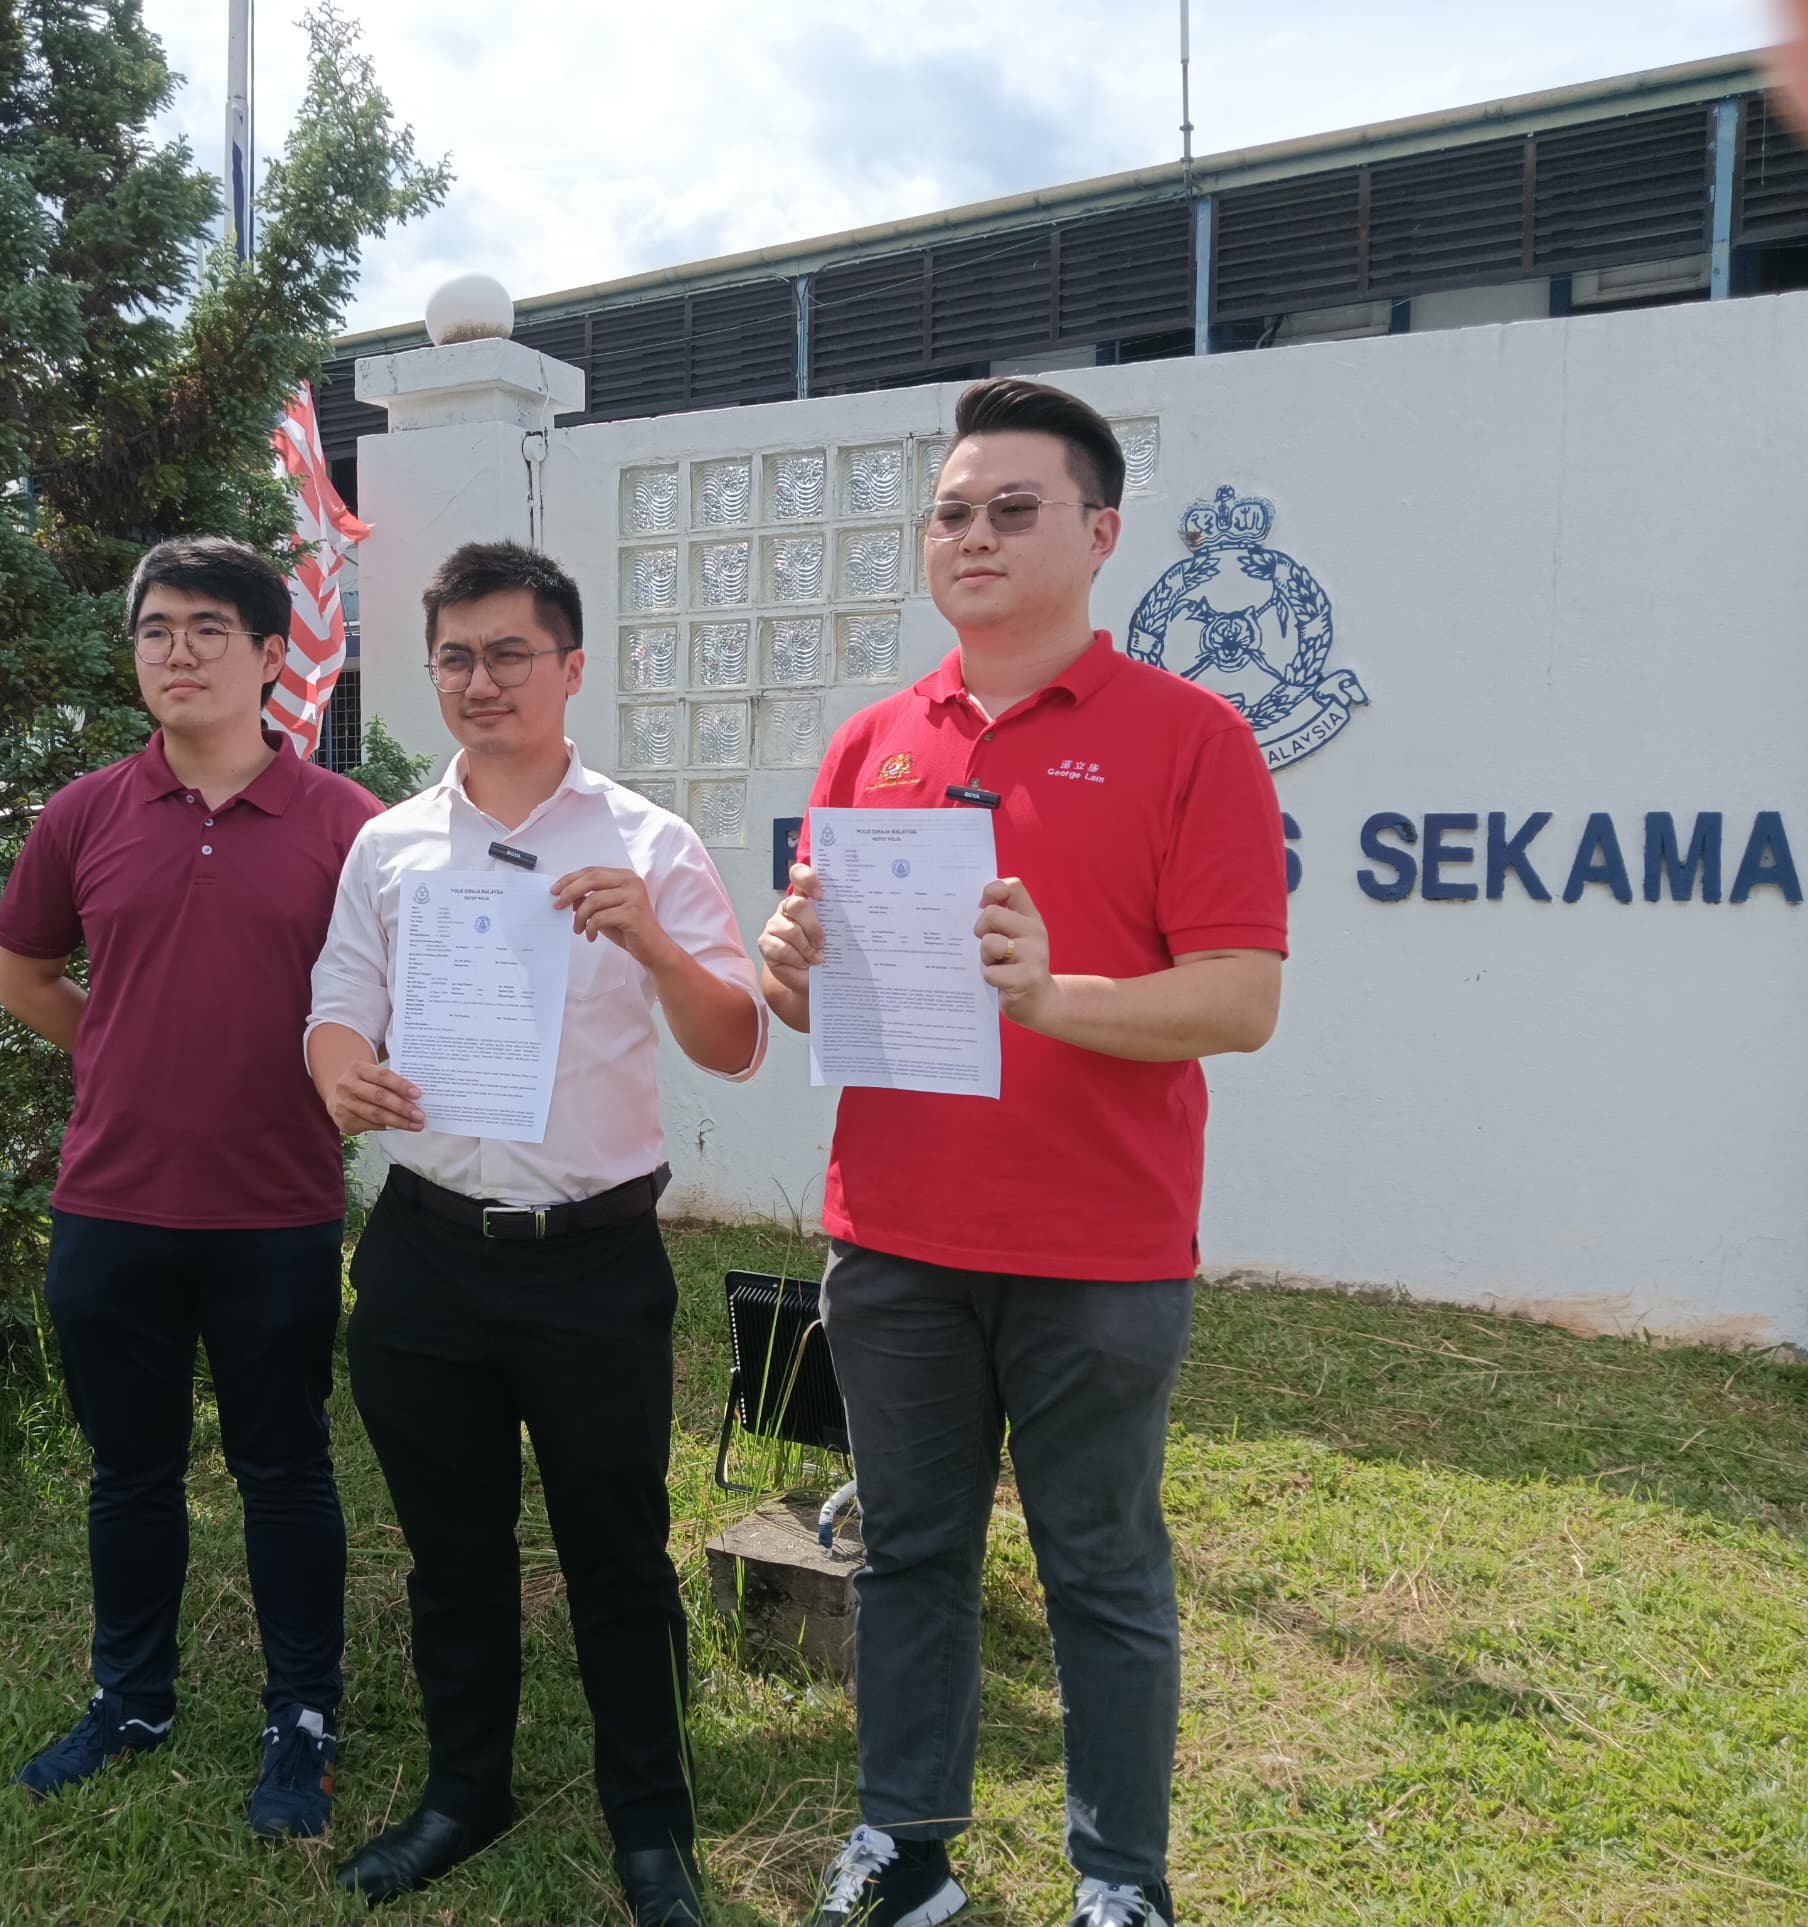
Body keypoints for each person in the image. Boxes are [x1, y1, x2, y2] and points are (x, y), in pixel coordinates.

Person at [760, 380, 1287, 1927]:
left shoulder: (1193, 738)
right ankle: (906, 1848)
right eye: (951, 513)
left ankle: (1120, 1880)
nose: (972, 536)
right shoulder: (874, 743)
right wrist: (790, 967)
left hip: (1098, 1253)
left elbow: (1242, 999)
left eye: (1012, 509)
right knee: (910, 1555)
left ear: (1101, 533)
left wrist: (1056, 999)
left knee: (1101, 1573)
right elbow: (823, 1002)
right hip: (895, 1241)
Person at [305, 541, 765, 1927]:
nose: (480, 680)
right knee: (453, 1554)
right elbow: (338, 1000)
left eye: (510, 653)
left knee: (618, 1553)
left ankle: (652, 1830)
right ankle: (465, 1793)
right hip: (425, 1253)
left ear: (570, 668)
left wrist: (658, 947)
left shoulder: (647, 843)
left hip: (591, 1261)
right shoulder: (390, 843)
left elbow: (737, 1042)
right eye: (455, 656)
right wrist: (340, 1071)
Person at [0, 535, 382, 1839]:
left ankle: (302, 1715)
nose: (178, 652)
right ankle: (131, 1698)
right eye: (157, 629)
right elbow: (24, 975)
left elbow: (394, 996)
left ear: (272, 657)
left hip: (276, 1208)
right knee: (130, 1471)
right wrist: (117, 1050)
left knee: (284, 1470)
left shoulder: (349, 827)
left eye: (210, 629)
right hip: (112, 1206)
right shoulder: (85, 814)